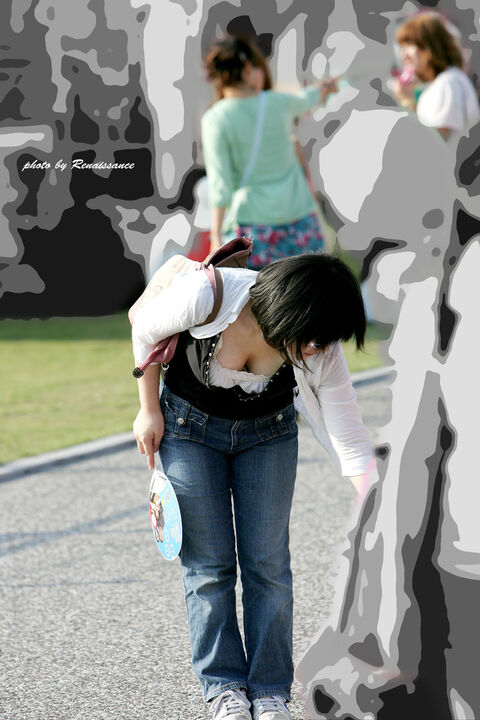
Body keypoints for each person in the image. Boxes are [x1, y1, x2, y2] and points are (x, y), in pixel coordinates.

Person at [132, 251, 376, 720]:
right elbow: (146, 329)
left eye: (327, 340)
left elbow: (347, 428)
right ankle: (223, 688)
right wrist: (148, 408)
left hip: (269, 436)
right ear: (288, 312)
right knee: (208, 566)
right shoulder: (208, 295)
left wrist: (374, 497)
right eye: (313, 338)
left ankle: (269, 691)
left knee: (268, 566)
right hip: (188, 430)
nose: (319, 349)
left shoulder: (321, 345)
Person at [201, 36, 337, 267]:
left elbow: (220, 186)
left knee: (260, 290)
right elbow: (307, 99)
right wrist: (324, 88)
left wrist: (215, 238)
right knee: (311, 288)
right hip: (300, 220)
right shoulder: (279, 103)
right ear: (246, 67)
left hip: (254, 230)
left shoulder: (215, 118)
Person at [393, 13, 480, 141]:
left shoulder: (448, 82)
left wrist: (407, 101)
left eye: (409, 45)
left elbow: (440, 141)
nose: (403, 55)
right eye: (402, 48)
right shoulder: (445, 81)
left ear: (430, 47)